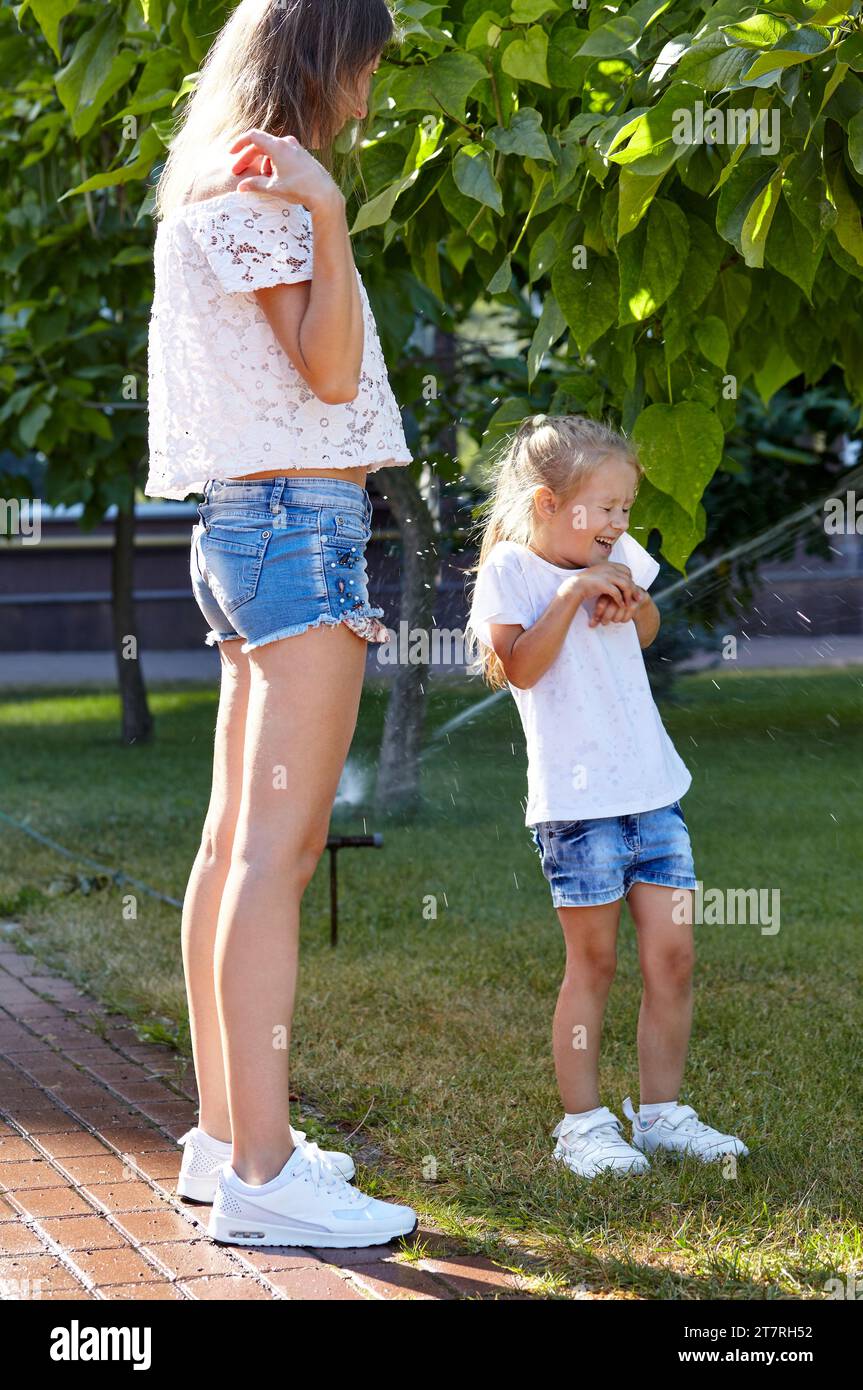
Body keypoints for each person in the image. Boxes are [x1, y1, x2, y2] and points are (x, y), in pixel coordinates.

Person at [146, 0, 416, 1247]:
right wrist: (329, 210)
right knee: (274, 860)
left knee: (228, 848)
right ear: (323, 57)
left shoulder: (222, 173)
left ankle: (220, 1137)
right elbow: (324, 372)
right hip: (297, 532)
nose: (371, 89)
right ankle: (260, 1173)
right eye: (365, 63)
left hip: (248, 528)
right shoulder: (268, 188)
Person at [467, 415, 749, 1177]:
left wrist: (630, 601)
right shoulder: (512, 572)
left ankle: (659, 1115)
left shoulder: (618, 553)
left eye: (626, 507)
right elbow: (518, 668)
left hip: (654, 792)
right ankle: (582, 1125)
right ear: (547, 504)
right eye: (605, 508)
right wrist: (572, 595)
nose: (620, 524)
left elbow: (648, 625)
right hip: (575, 807)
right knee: (591, 964)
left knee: (674, 957)